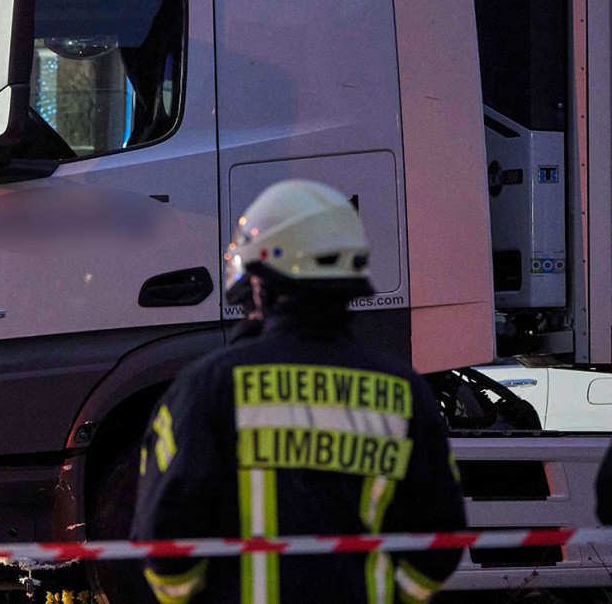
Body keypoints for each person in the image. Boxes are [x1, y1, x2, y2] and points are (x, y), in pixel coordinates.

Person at [131, 179, 466, 604]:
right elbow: (443, 534)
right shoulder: (405, 391)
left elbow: (165, 534)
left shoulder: (211, 386)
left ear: (261, 281)